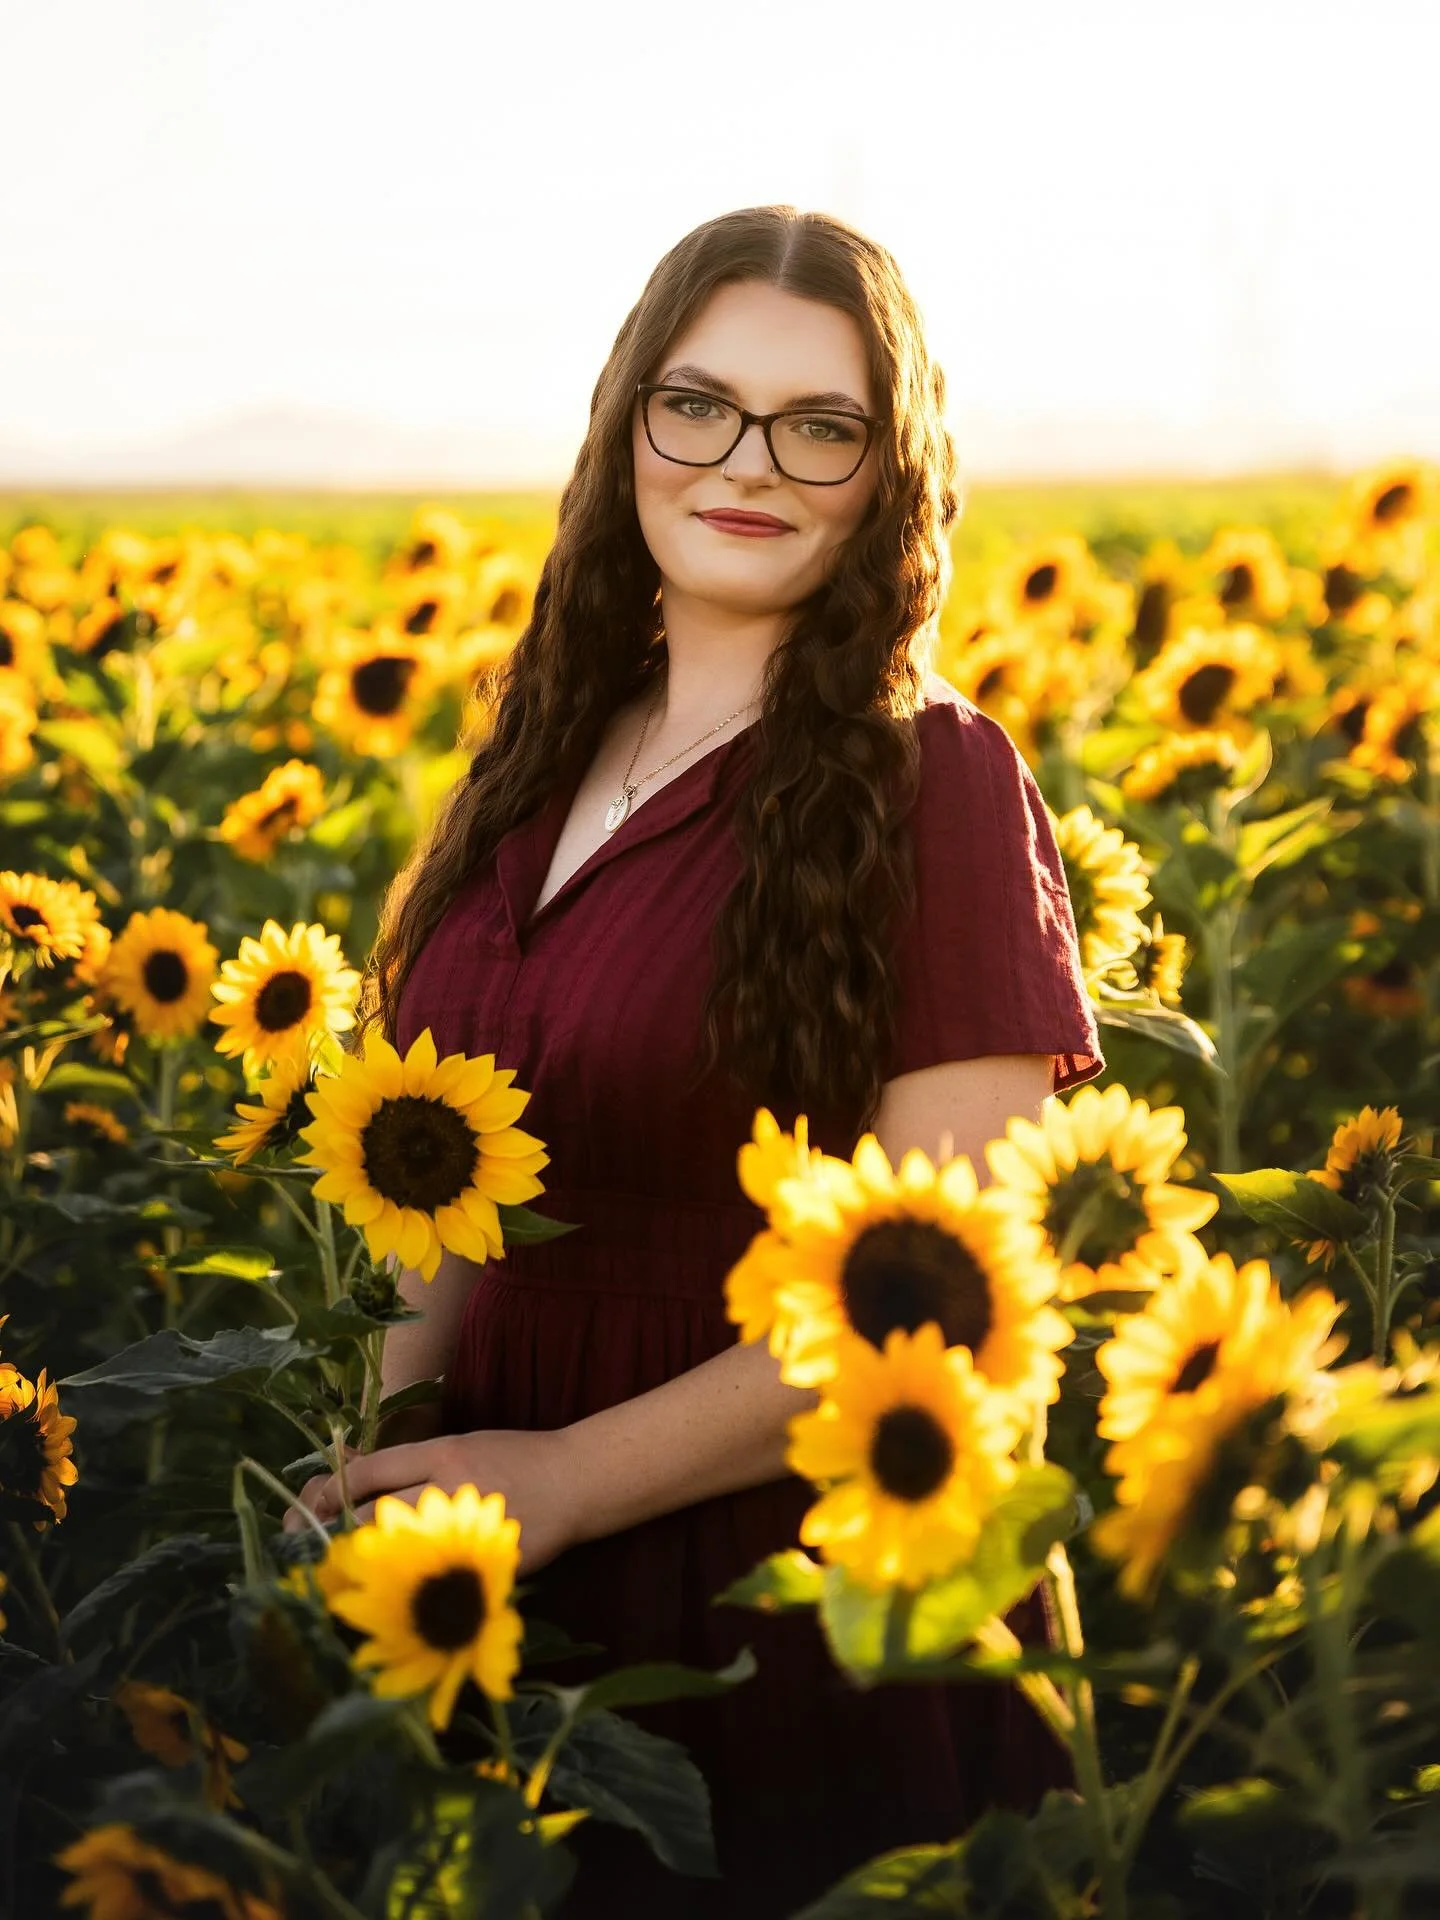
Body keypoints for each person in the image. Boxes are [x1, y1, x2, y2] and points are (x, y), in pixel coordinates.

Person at [289, 205, 1104, 1916]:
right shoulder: (538, 744)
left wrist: (576, 1478)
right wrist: (383, 1459)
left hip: (786, 1594)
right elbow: (432, 1168)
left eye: (823, 424)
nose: (750, 461)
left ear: (896, 470)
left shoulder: (932, 784)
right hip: (493, 1571)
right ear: (629, 422)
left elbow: (941, 1296)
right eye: (701, 404)